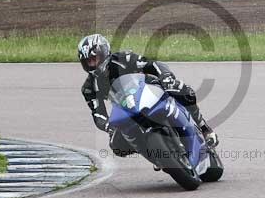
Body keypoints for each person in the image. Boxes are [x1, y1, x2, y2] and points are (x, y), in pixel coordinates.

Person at [78, 33, 218, 158]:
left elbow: (153, 64)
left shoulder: (123, 58)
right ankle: (154, 154)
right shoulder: (89, 88)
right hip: (127, 109)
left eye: (94, 58)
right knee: (116, 145)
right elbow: (98, 114)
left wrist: (166, 77)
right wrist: (108, 126)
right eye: (88, 62)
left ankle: (205, 128)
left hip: (149, 90)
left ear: (104, 52)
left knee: (182, 89)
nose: (92, 64)